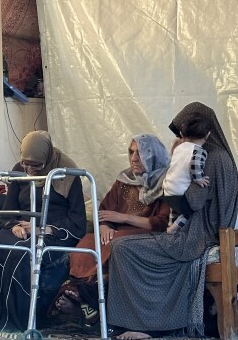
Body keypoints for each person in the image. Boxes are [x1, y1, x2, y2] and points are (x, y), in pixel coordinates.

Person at [106, 102, 238, 340]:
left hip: (195, 237)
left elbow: (193, 203)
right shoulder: (221, 155)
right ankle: (149, 322)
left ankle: (148, 325)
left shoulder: (207, 156)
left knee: (122, 247)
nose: (181, 139)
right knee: (126, 244)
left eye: (183, 133)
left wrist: (172, 187)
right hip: (208, 232)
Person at [49, 134, 171, 323]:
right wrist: (105, 225)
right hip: (116, 231)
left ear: (154, 155)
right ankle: (85, 298)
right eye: (131, 152)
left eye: (141, 153)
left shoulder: (166, 182)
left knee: (117, 242)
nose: (134, 159)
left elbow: (161, 222)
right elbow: (105, 210)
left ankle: (87, 294)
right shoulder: (124, 179)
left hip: (145, 233)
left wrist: (122, 217)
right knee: (87, 241)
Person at [0, 130, 87, 331]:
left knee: (22, 251)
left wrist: (43, 229)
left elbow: (77, 221)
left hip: (53, 234)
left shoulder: (67, 173)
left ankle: (19, 320)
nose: (30, 170)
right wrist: (15, 225)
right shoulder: (19, 169)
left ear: (46, 158)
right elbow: (7, 211)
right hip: (23, 230)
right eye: (26, 164)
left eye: (36, 165)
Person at [163, 115, 210, 234]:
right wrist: (199, 179)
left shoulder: (179, 147)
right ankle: (173, 229)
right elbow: (195, 165)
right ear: (207, 135)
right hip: (180, 191)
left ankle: (170, 224)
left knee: (174, 210)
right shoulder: (199, 151)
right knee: (188, 212)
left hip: (168, 188)